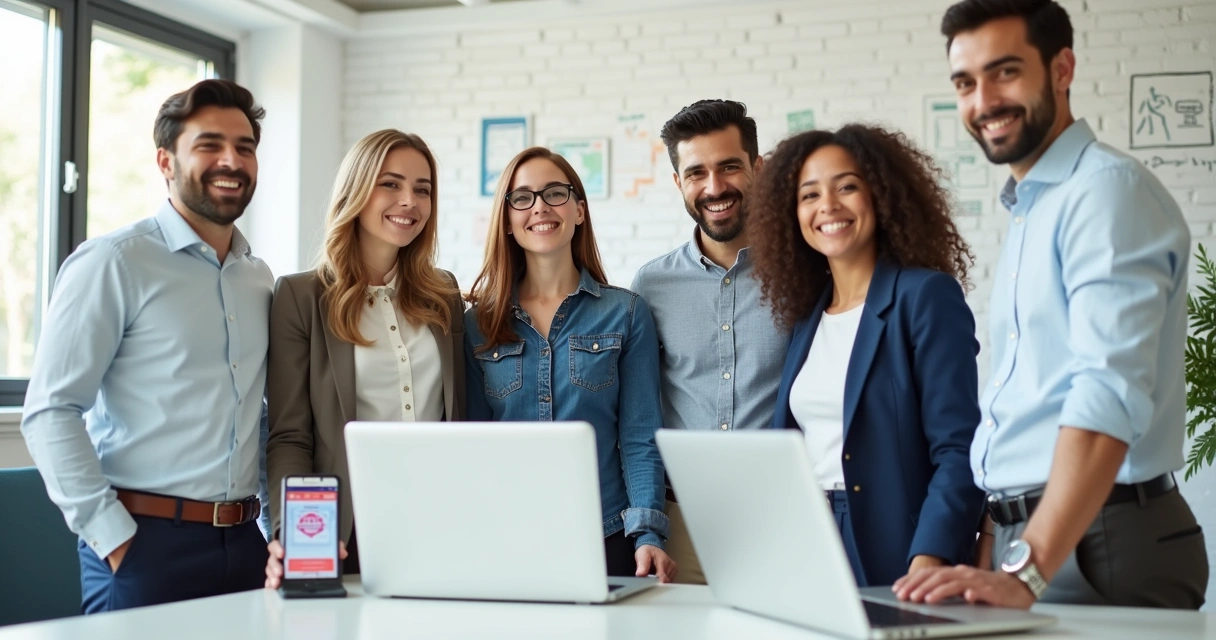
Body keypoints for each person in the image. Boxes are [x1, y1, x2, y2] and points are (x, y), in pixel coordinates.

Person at [895, 0, 1208, 609]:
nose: (983, 101)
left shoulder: (1105, 193)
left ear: (1062, 69)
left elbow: (1106, 393)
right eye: (965, 82)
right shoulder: (1035, 204)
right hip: (1033, 535)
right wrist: (998, 542)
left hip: (1100, 541)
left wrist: (1026, 572)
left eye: (1005, 72)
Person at [20, 79, 271, 613]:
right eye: (209, 145)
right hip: (145, 544)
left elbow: (259, 415)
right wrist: (115, 541)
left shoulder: (259, 279)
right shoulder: (114, 262)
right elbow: (50, 411)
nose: (232, 159)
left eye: (245, 147)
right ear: (166, 161)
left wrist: (276, 529)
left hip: (247, 543)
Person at [749, 124, 985, 587]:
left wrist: (930, 555)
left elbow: (960, 450)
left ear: (880, 194)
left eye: (847, 187)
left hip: (897, 541)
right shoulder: (807, 317)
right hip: (808, 533)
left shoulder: (925, 297)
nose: (828, 207)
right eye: (809, 195)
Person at [262, 130, 466, 587]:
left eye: (422, 189)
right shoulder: (300, 296)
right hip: (343, 532)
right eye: (390, 184)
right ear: (356, 189)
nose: (409, 201)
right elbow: (290, 436)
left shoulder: (444, 293)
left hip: (442, 523)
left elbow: (461, 416)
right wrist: (294, 533)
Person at [465, 147, 675, 582]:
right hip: (506, 538)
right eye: (522, 197)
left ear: (580, 209)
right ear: (506, 219)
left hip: (606, 537)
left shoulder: (627, 313)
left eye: (555, 193)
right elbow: (470, 442)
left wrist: (649, 533)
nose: (539, 206)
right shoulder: (476, 324)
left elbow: (638, 437)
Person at [630, 99, 790, 584]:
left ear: (758, 170)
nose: (715, 187)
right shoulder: (650, 286)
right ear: (678, 182)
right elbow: (638, 413)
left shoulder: (805, 274)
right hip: (682, 526)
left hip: (783, 519)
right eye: (696, 172)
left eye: (729, 167)